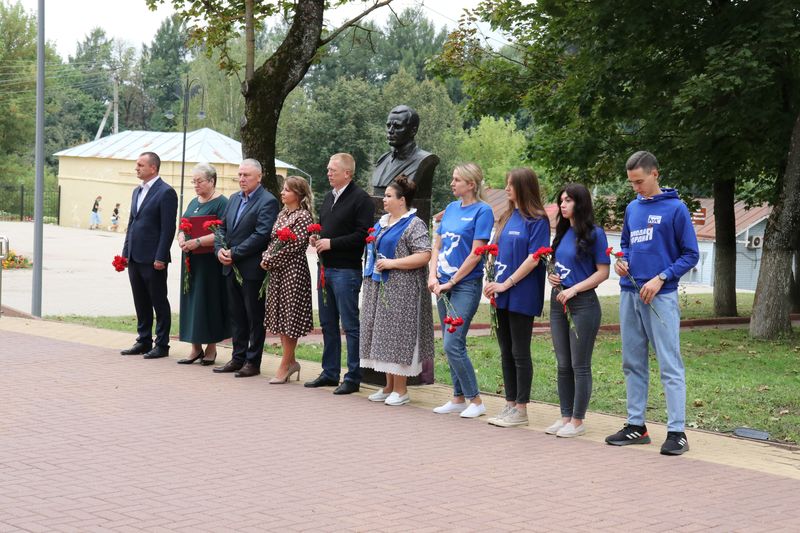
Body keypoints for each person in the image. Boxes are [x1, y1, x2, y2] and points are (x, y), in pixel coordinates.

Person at [605, 151, 699, 455]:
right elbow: (628, 245)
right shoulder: (632, 208)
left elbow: (690, 254)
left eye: (640, 181)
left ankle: (677, 432)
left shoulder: (676, 209)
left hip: (662, 296)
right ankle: (636, 426)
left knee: (669, 363)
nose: (636, 188)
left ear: (655, 174)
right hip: (629, 292)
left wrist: (661, 277)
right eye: (631, 182)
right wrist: (623, 263)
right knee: (632, 361)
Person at [482, 168, 550, 428]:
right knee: (505, 351)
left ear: (524, 187)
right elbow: (495, 251)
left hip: (521, 292)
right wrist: (490, 280)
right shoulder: (508, 216)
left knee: (520, 351)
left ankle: (521, 409)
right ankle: (509, 404)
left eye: (511, 185)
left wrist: (506, 283)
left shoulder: (538, 220)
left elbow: (535, 258)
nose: (507, 189)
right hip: (500, 292)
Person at [304, 153, 374, 395]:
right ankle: (330, 372)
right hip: (324, 268)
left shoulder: (361, 199)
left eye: (333, 169)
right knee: (327, 323)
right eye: (327, 169)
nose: (328, 173)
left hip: (346, 270)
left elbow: (362, 234)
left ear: (347, 172)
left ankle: (353, 376)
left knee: (350, 325)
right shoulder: (328, 197)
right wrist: (318, 237)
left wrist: (331, 243)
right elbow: (328, 228)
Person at [361, 176, 434, 406]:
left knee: (398, 336)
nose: (384, 199)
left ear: (402, 200)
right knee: (382, 335)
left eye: (389, 196)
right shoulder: (383, 222)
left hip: (402, 290)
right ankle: (389, 386)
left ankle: (401, 390)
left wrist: (393, 263)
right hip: (381, 287)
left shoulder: (414, 224)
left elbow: (424, 254)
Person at [428, 163, 493, 418]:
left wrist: (452, 281)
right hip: (442, 283)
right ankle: (457, 397)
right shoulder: (452, 209)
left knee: (453, 342)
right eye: (452, 179)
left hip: (464, 284)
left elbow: (477, 254)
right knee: (448, 341)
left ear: (471, 184)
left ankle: (475, 400)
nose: (452, 183)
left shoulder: (483, 211)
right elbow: (438, 246)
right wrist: (433, 275)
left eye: (457, 180)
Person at [544, 183, 610, 437]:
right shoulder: (561, 233)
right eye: (561, 200)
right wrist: (551, 275)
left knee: (579, 364)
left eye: (568, 200)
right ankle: (565, 416)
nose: (562, 204)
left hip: (583, 304)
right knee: (563, 364)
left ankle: (578, 421)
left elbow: (603, 272)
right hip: (558, 302)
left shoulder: (595, 234)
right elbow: (555, 263)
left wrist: (574, 289)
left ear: (580, 203)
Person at [212, 159, 278, 378]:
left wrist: (235, 252)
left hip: (250, 269)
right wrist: (220, 249)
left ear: (259, 177)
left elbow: (261, 234)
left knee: (253, 317)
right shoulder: (233, 199)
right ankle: (237, 357)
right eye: (239, 175)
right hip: (230, 267)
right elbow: (222, 228)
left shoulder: (267, 201)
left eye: (246, 175)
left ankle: (253, 361)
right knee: (236, 315)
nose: (242, 179)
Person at [120, 152, 177, 359]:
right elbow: (131, 224)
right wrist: (126, 253)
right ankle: (143, 340)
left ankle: (162, 344)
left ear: (153, 168)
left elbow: (168, 228)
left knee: (158, 301)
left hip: (154, 259)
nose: (137, 168)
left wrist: (161, 256)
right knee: (141, 300)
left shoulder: (166, 192)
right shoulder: (137, 191)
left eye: (140, 165)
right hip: (135, 256)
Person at [260, 176, 314, 384]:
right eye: (283, 189)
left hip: (293, 271)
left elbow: (294, 246)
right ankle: (290, 361)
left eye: (287, 190)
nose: (282, 193)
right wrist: (266, 257)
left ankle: (285, 364)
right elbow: (273, 240)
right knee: (280, 316)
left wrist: (269, 260)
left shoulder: (303, 216)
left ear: (298, 194)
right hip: (277, 271)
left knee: (291, 316)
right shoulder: (282, 213)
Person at [176, 163, 230, 366]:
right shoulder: (193, 202)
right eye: (194, 181)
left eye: (199, 181)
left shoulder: (222, 203)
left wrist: (198, 241)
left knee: (208, 302)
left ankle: (211, 348)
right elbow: (183, 225)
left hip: (209, 262)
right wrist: (182, 237)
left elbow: (223, 232)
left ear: (212, 181)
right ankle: (195, 348)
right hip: (191, 260)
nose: (196, 185)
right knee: (191, 303)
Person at [370, 105, 439, 192]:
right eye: (388, 126)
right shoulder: (382, 160)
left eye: (397, 127)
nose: (390, 131)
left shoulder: (425, 161)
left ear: (413, 131)